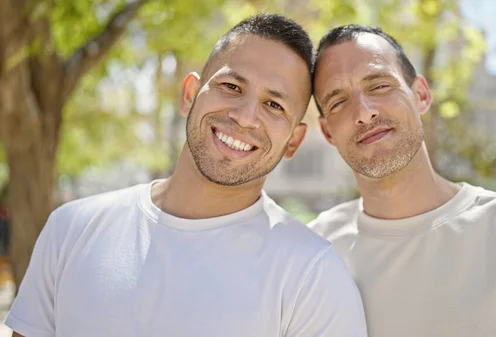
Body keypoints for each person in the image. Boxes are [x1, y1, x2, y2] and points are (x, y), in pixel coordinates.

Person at [5, 15, 367, 337]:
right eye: (231, 87)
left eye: (274, 105)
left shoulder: (313, 277)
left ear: (294, 140)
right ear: (190, 93)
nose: (244, 116)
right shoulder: (71, 229)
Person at [308, 24, 496, 337]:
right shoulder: (312, 254)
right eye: (338, 102)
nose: (364, 113)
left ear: (421, 95)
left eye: (379, 86)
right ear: (327, 132)